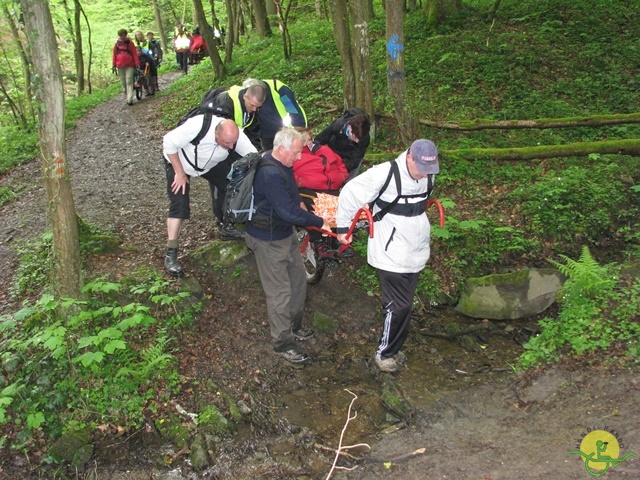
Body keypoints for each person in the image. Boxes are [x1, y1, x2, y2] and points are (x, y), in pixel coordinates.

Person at [335, 139, 440, 373]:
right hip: (389, 249)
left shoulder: (428, 174)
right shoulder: (385, 173)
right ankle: (385, 354)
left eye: (429, 171)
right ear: (410, 158)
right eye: (421, 169)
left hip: (415, 249)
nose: (425, 175)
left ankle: (393, 346)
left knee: (405, 304)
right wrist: (343, 228)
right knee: (398, 306)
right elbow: (351, 192)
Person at [245, 128, 331, 363]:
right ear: (281, 149)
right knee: (280, 292)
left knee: (298, 280)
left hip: (284, 234)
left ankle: (294, 326)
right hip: (268, 239)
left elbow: (293, 198)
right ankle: (282, 343)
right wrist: (322, 222)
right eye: (296, 152)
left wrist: (306, 207)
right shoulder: (269, 173)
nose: (299, 157)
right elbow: (288, 211)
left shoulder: (283, 164)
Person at [163, 118, 257, 276]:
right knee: (180, 203)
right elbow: (168, 142)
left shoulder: (235, 135)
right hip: (181, 162)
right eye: (227, 142)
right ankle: (171, 253)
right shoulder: (198, 126)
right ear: (216, 134)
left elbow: (254, 155)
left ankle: (225, 225)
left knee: (230, 186)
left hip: (208, 165)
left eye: (234, 142)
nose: (232, 146)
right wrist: (179, 172)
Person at [292, 127, 353, 258]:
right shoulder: (296, 155)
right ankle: (318, 241)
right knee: (312, 206)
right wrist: (301, 182)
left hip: (330, 187)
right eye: (304, 140)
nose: (308, 143)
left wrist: (341, 176)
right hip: (309, 189)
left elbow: (340, 165)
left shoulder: (324, 150)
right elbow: (287, 173)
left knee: (341, 205)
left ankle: (340, 239)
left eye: (309, 139)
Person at [243, 78, 307, 151]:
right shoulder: (246, 98)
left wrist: (300, 131)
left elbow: (293, 111)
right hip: (266, 138)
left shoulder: (279, 90)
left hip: (287, 133)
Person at [314, 108, 371, 180]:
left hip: (350, 158)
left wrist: (341, 166)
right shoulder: (337, 125)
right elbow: (319, 139)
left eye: (359, 139)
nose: (357, 141)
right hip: (334, 153)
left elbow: (355, 160)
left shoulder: (364, 138)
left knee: (348, 180)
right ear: (350, 128)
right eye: (354, 137)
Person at [210, 83, 266, 150]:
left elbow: (253, 132)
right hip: (217, 142)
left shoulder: (253, 107)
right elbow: (223, 133)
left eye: (258, 107)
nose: (254, 109)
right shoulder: (225, 104)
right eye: (252, 105)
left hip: (233, 140)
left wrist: (257, 152)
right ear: (245, 97)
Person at [112, 29, 139, 106]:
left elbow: (134, 53)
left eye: (124, 35)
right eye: (121, 35)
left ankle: (129, 99)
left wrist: (137, 63)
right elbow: (114, 55)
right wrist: (113, 64)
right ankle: (128, 95)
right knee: (123, 82)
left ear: (126, 35)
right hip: (120, 65)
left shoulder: (130, 43)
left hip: (130, 64)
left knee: (129, 81)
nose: (122, 37)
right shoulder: (117, 44)